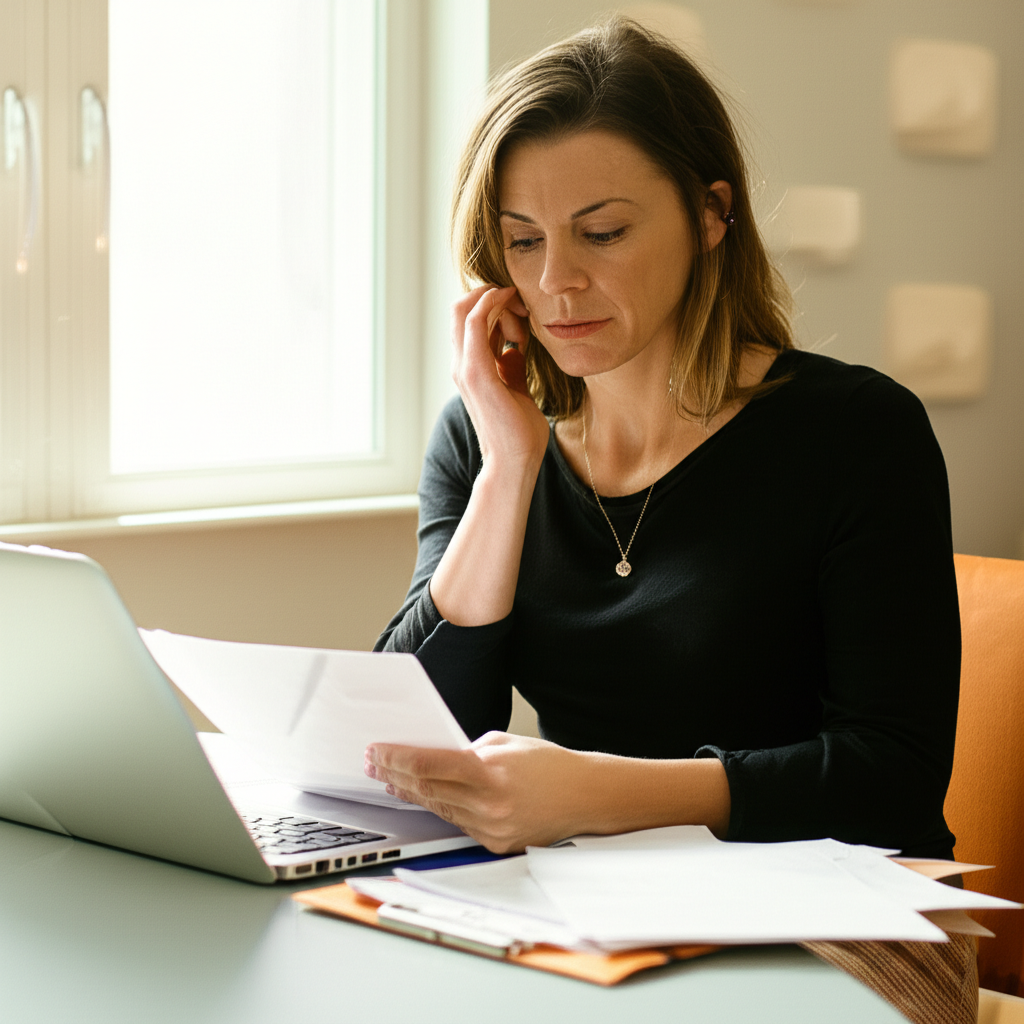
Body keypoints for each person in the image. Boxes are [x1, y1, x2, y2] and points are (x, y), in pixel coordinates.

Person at [367, 18, 961, 864]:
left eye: (602, 233)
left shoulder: (858, 434)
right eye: (524, 240)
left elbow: (891, 778)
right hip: (594, 904)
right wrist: (507, 471)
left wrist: (599, 795)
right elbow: (413, 741)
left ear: (712, 214)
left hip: (841, 908)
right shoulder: (486, 433)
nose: (554, 282)